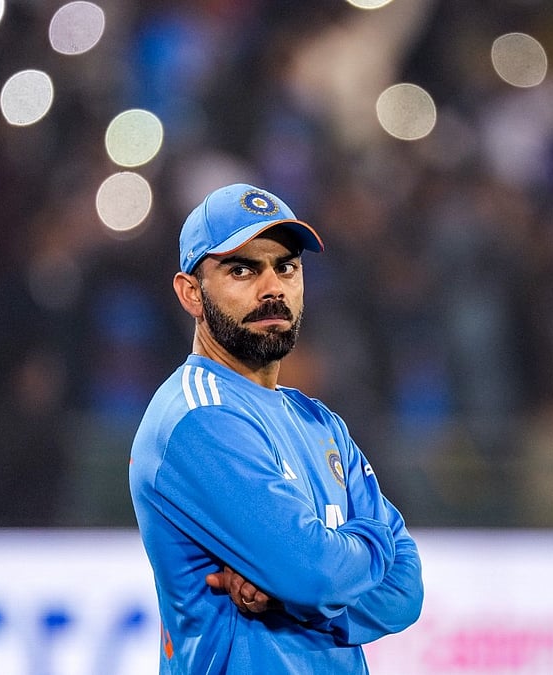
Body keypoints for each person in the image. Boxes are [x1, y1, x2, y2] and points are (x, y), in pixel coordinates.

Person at [129, 183, 424, 673]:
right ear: (190, 294)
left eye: (286, 266)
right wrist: (369, 545)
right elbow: (311, 571)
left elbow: (406, 589)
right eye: (242, 269)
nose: (272, 288)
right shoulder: (198, 417)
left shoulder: (320, 422)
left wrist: (287, 596)